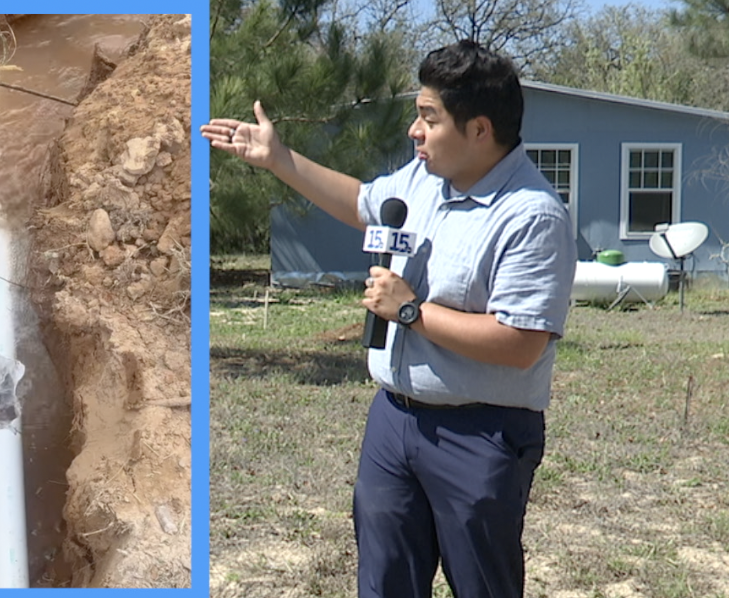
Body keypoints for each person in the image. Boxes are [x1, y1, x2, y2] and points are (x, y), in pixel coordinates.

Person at [201, 40, 577, 598]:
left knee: (484, 586)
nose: (414, 131)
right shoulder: (425, 179)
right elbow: (362, 203)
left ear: (478, 130)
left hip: (480, 434)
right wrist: (280, 159)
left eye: (429, 117)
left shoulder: (532, 216)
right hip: (393, 420)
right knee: (383, 584)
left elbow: (521, 342)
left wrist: (411, 312)